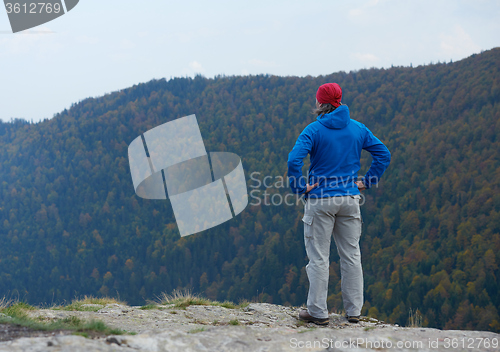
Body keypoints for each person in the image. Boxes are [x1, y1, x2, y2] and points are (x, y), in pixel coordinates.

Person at [287, 83, 391, 325]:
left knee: (319, 258)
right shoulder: (358, 129)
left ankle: (317, 313)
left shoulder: (313, 130)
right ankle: (354, 312)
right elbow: (383, 153)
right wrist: (368, 180)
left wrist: (300, 187)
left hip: (321, 199)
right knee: (352, 255)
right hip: (350, 198)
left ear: (321, 103)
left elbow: (294, 160)